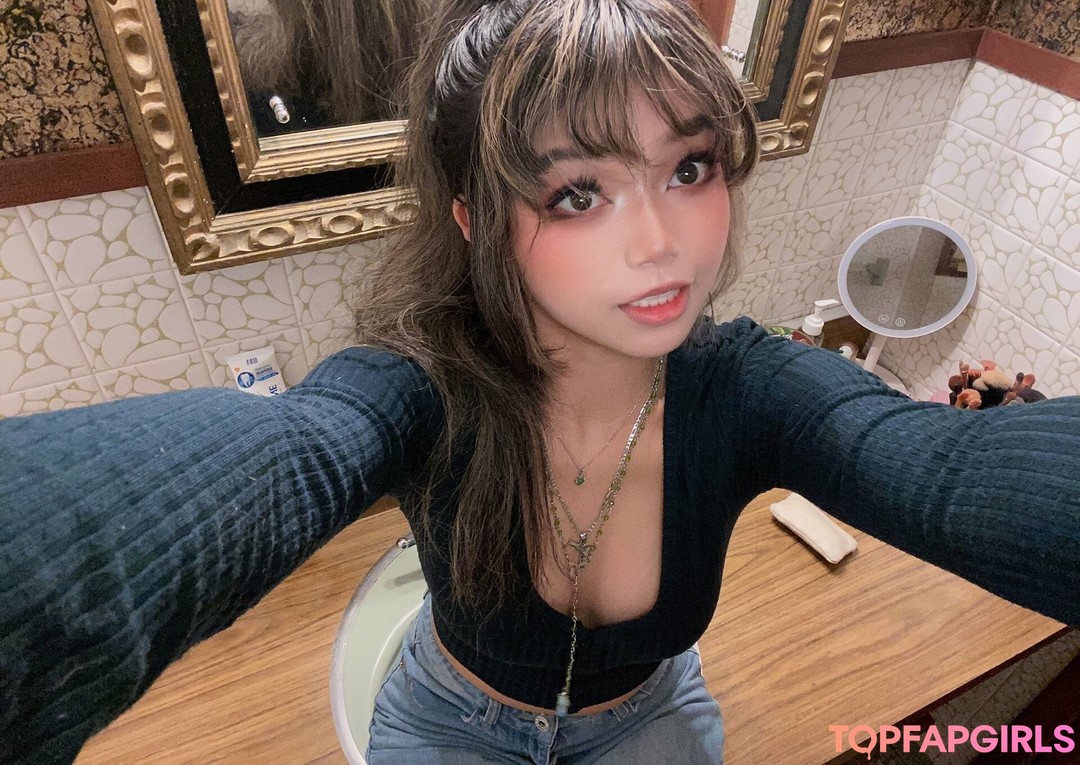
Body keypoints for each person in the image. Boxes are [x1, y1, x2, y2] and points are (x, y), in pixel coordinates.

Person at [1, 0, 1078, 763]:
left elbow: (939, 471)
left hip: (649, 719)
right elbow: (289, 451)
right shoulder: (419, 382)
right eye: (575, 194)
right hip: (449, 720)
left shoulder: (750, 389)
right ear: (475, 220)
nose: (661, 243)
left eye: (689, 167)